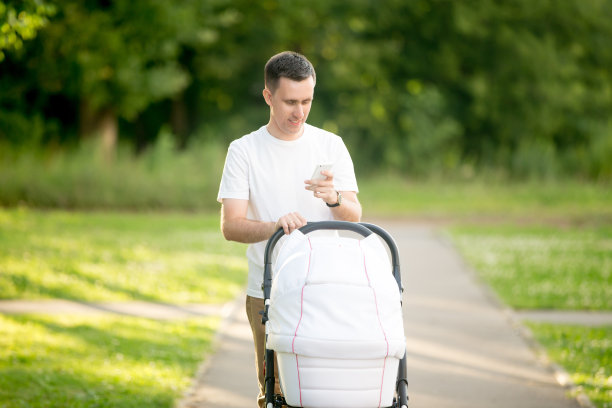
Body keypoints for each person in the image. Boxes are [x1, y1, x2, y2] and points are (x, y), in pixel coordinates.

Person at [217, 51, 362, 408]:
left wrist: (334, 198)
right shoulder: (244, 151)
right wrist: (275, 226)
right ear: (268, 96)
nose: (299, 112)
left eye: (307, 101)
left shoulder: (331, 144)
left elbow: (354, 214)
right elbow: (231, 226)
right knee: (277, 393)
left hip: (328, 286)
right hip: (267, 289)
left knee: (330, 390)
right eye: (290, 102)